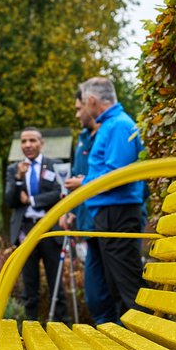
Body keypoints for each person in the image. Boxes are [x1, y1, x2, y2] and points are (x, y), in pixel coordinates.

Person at [78, 76, 146, 317]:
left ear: (93, 100)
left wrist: (82, 183)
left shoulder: (118, 125)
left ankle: (146, 343)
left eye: (84, 104)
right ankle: (128, 343)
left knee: (129, 288)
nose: (83, 110)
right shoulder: (110, 124)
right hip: (108, 212)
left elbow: (117, 174)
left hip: (118, 212)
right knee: (116, 287)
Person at [61, 89, 117, 323]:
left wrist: (84, 182)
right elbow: (76, 178)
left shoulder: (111, 131)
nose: (77, 114)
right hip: (89, 222)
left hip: (112, 219)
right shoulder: (83, 138)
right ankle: (105, 336)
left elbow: (115, 175)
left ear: (89, 104)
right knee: (95, 293)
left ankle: (124, 341)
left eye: (78, 108)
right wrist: (69, 210)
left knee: (117, 286)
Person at [6, 128, 69, 322]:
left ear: (41, 143)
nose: (27, 145)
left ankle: (62, 327)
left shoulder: (55, 166)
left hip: (50, 231)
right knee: (29, 285)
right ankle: (29, 328)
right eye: (23, 142)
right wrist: (18, 180)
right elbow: (10, 200)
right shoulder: (14, 169)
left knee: (56, 283)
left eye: (32, 140)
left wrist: (32, 200)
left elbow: (60, 193)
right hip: (25, 231)